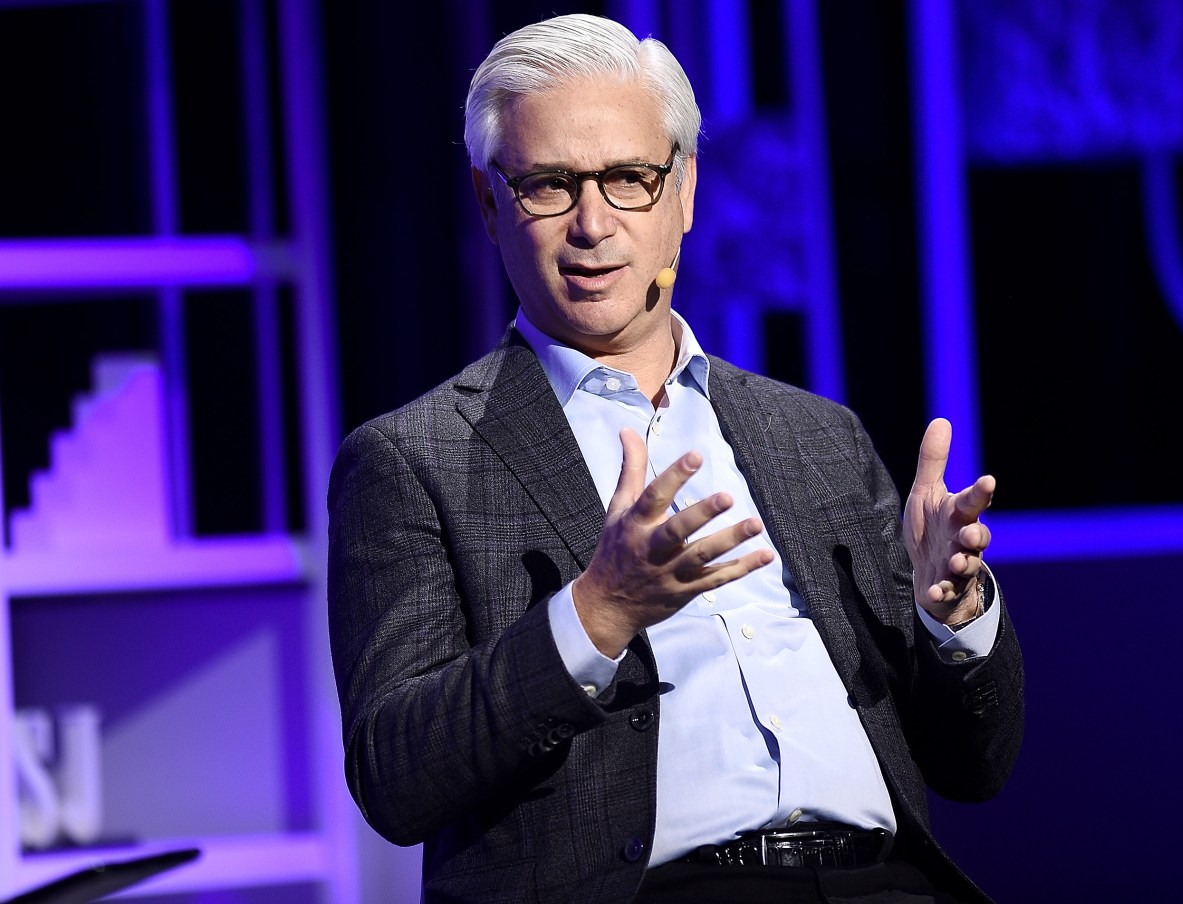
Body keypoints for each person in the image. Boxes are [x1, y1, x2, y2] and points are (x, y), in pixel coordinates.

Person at [327, 13, 1023, 904]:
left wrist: (951, 619)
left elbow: (975, 765)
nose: (592, 224)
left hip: (881, 884)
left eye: (628, 178)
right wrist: (597, 614)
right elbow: (395, 774)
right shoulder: (412, 460)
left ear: (684, 192)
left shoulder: (817, 436)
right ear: (490, 202)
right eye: (548, 185)